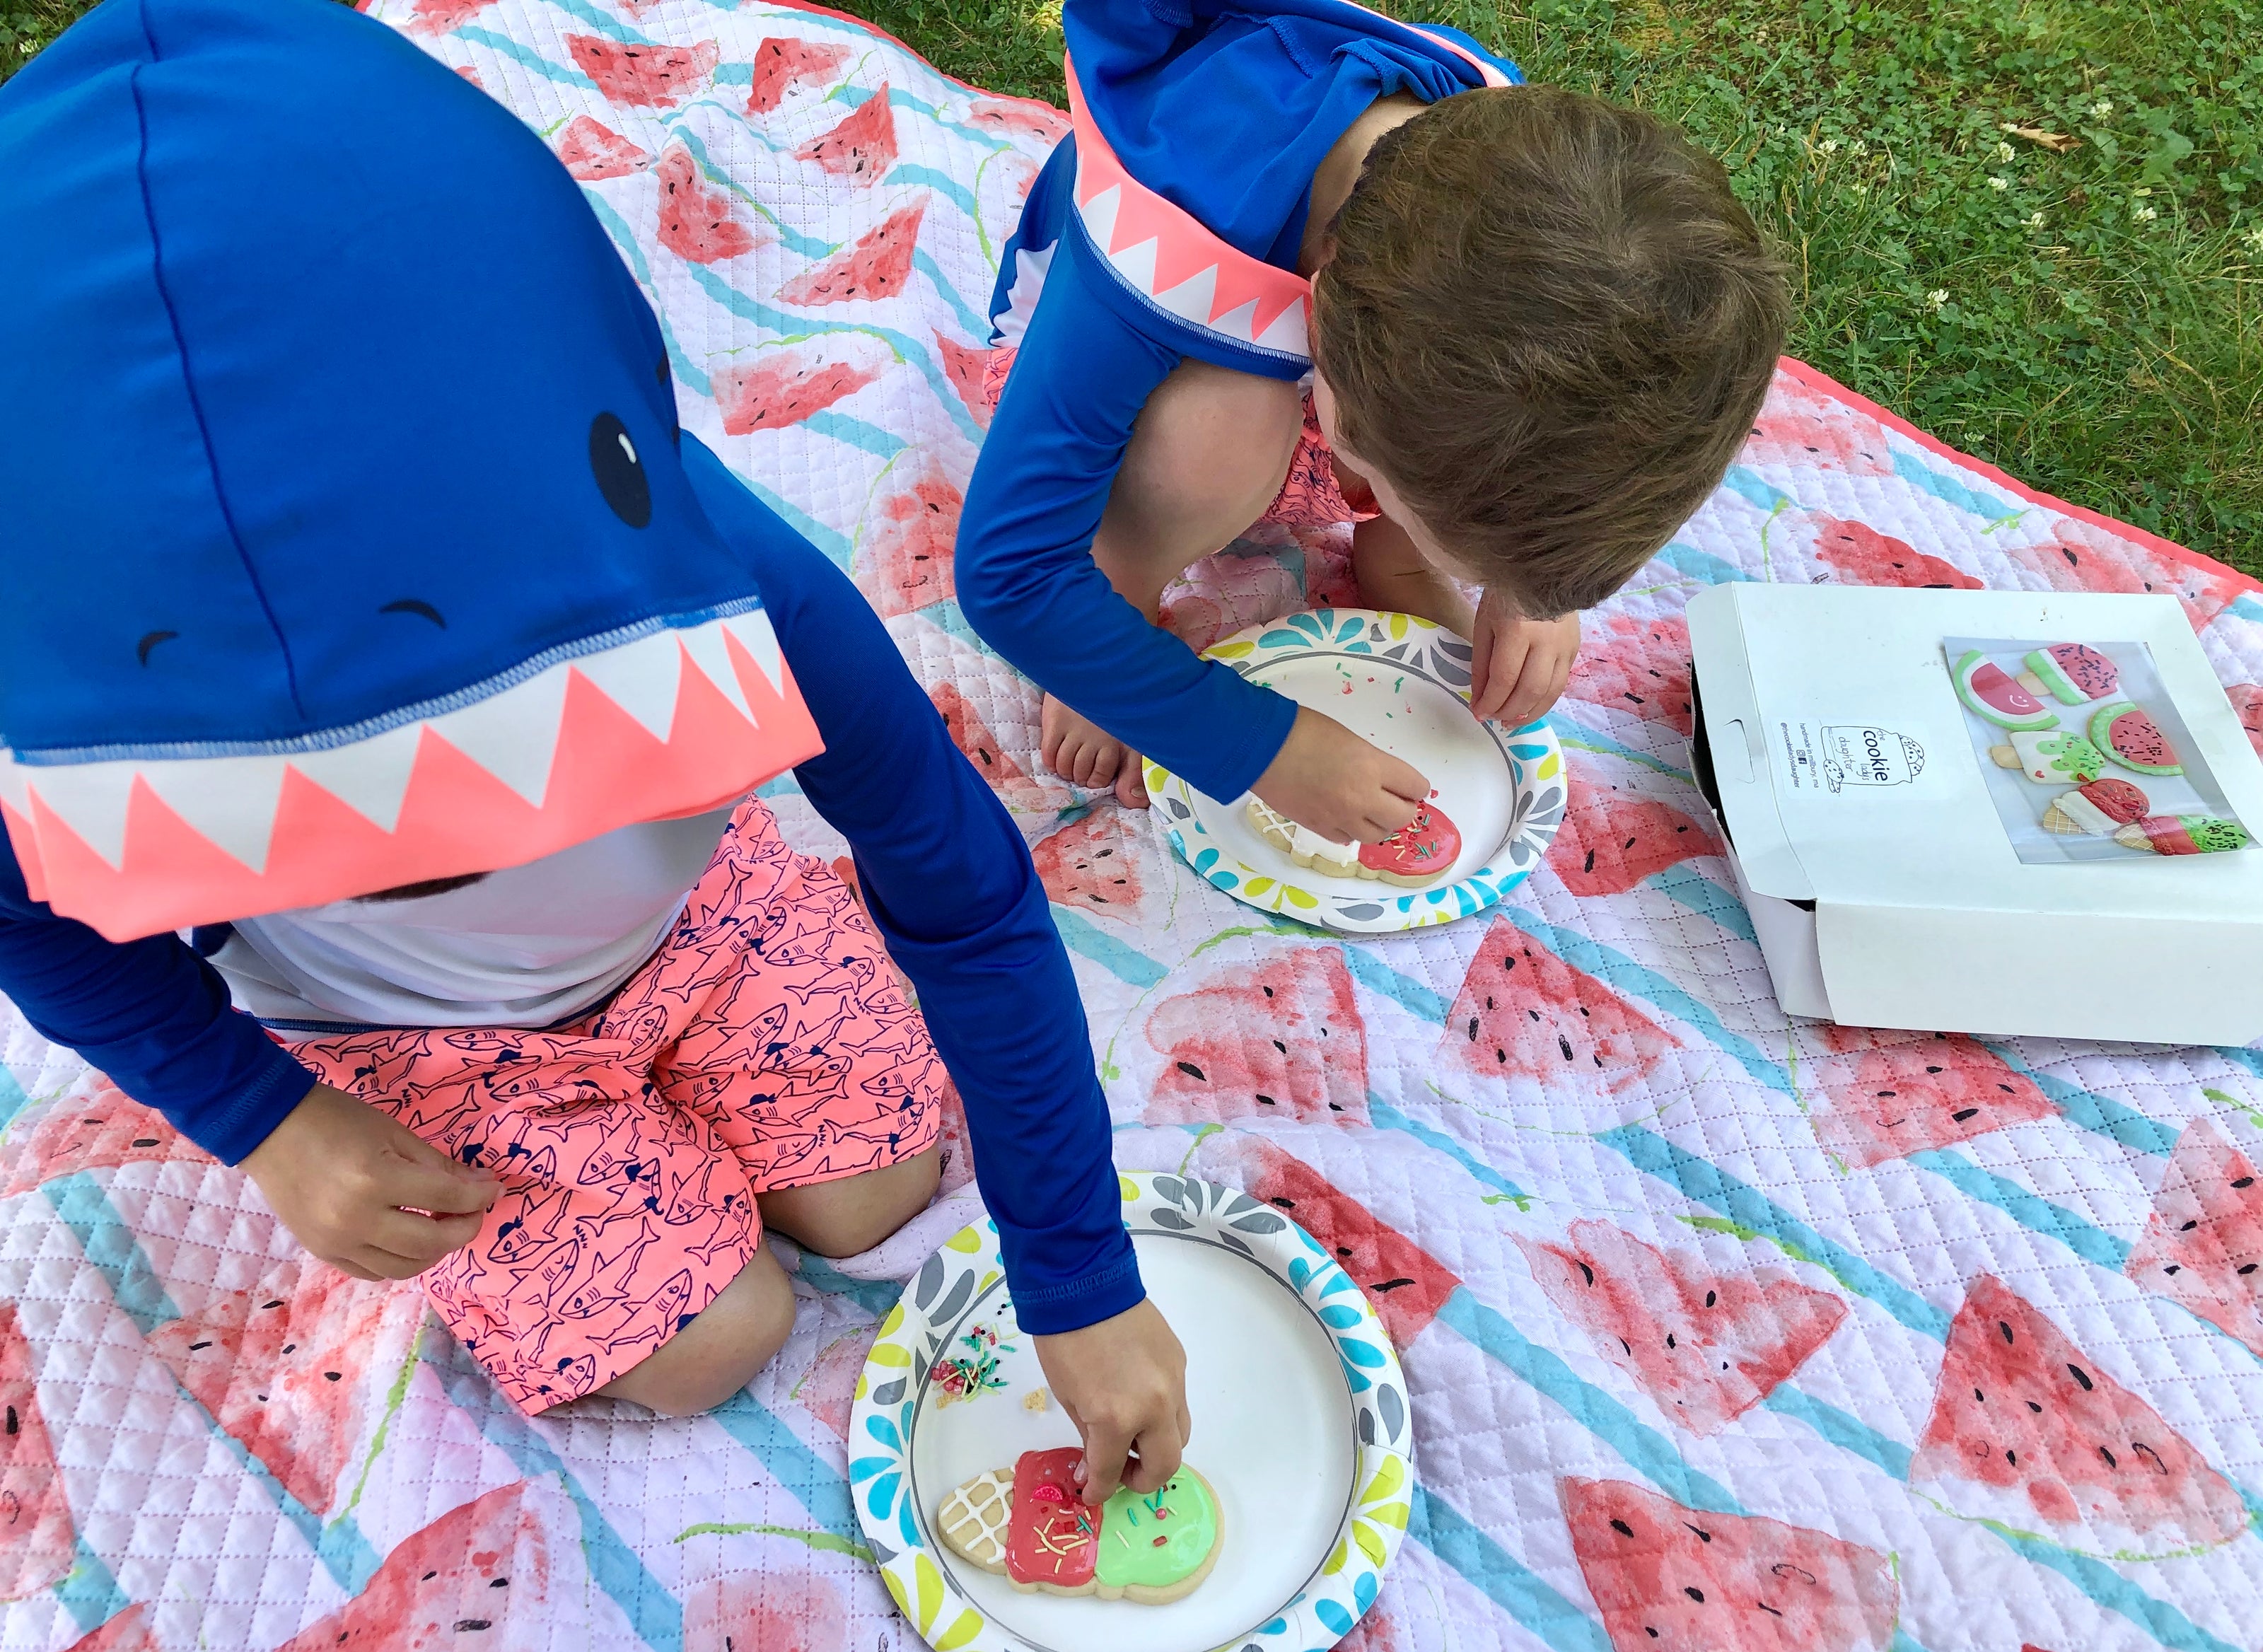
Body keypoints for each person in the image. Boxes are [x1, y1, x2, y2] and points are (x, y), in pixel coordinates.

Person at [0, 0, 1182, 1504]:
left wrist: (1077, 1273)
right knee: (711, 1344)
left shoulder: (724, 573)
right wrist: (273, 1123)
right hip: (405, 1053)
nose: (432, 853)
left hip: (702, 918)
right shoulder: (44, 710)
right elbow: (24, 915)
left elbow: (961, 894)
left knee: (881, 1184)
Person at [957, 0, 1790, 842]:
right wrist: (1259, 748)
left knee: (1455, 445)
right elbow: (1009, 573)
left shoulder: (1520, 177)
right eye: (1415, 524)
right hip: (1123, 348)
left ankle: (1404, 558)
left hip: (1342, 354)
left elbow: (1552, 397)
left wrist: (1527, 586)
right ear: (1327, 371)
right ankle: (1122, 585)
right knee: (1218, 430)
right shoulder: (1157, 245)